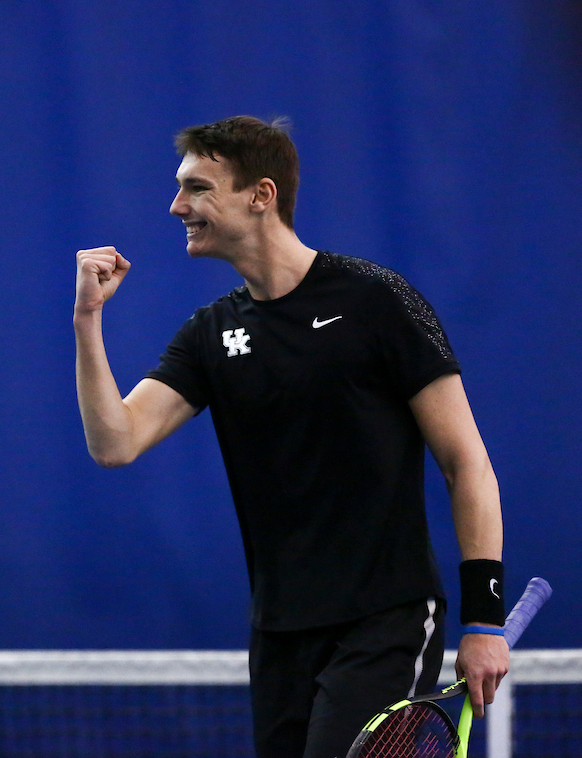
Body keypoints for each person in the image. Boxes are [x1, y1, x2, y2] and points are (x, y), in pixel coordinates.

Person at [73, 115, 508, 758]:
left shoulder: (378, 301)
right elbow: (116, 442)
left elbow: (465, 462)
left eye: (196, 188)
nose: (176, 206)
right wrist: (88, 320)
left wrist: (483, 620)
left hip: (385, 619)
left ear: (261, 194)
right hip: (279, 632)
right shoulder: (210, 333)